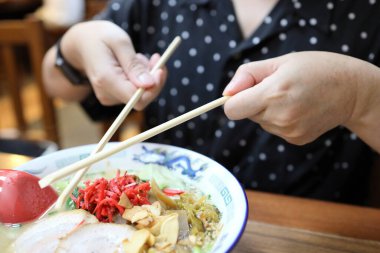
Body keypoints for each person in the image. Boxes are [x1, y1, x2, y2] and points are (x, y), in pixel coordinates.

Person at [42, 0, 380, 206]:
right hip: (160, 214)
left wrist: (359, 96)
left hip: (307, 229)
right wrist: (72, 48)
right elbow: (54, 81)